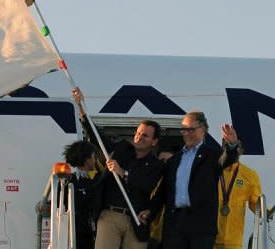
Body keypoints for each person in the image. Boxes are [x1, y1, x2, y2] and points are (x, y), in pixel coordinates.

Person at [72, 87, 164, 249]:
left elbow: (147, 184)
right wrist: (81, 107)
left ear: (154, 142)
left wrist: (123, 173)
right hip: (110, 216)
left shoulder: (156, 165)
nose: (139, 138)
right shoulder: (122, 149)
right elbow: (97, 136)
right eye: (138, 133)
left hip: (137, 220)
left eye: (145, 135)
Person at [139, 110, 239, 249]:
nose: (187, 133)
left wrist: (232, 146)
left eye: (190, 129)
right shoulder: (174, 160)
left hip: (201, 228)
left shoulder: (212, 156)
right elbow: (163, 192)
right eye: (184, 130)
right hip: (175, 226)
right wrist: (150, 211)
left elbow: (227, 159)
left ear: (203, 130)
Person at [214, 140, 262, 249]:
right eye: (227, 146)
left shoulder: (250, 175)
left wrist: (265, 212)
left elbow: (256, 204)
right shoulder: (211, 171)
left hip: (233, 239)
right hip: (209, 237)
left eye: (237, 147)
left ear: (242, 151)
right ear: (223, 149)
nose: (233, 150)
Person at [63, 140, 99, 249]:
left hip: (94, 232)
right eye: (93, 156)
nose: (95, 159)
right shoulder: (69, 181)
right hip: (77, 232)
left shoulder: (98, 178)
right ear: (87, 159)